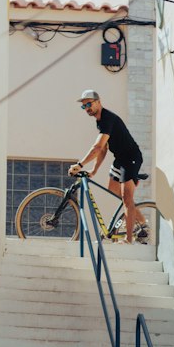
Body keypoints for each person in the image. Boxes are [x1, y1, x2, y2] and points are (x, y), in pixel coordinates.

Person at [69, 90, 149, 244]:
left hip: (131, 158)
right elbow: (104, 149)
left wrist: (80, 165)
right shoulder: (100, 121)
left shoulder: (107, 118)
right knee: (112, 189)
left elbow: (97, 147)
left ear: (98, 101)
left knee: (127, 199)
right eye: (84, 106)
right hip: (120, 158)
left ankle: (129, 239)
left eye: (89, 104)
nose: (87, 108)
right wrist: (94, 170)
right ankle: (141, 223)